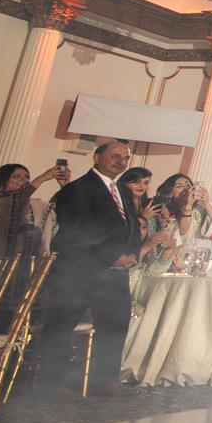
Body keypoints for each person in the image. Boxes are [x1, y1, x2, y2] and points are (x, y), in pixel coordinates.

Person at [34, 139, 138, 395]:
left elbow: (132, 225)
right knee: (62, 324)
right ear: (97, 157)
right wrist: (112, 256)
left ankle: (105, 380)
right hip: (80, 271)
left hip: (115, 275)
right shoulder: (77, 189)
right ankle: (52, 383)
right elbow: (77, 229)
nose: (121, 162)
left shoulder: (123, 191)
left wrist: (133, 253)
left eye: (125, 158)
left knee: (114, 325)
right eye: (115, 156)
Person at [0, 160, 66, 263]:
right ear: (2, 181)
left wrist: (65, 187)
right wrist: (42, 178)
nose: (24, 180)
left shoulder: (36, 204)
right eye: (16, 176)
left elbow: (54, 210)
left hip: (28, 262)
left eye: (26, 177)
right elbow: (16, 200)